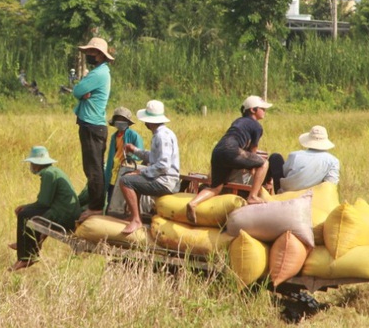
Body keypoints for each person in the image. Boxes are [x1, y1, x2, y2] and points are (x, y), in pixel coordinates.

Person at [186, 95, 273, 223]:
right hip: (232, 150)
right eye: (262, 109)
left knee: (215, 188)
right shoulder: (257, 126)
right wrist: (252, 168)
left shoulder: (238, 121)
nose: (265, 112)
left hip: (218, 151)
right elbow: (252, 151)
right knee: (264, 164)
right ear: (253, 110)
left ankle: (193, 203)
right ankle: (253, 196)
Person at [9, 146, 81, 271]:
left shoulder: (48, 174)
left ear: (37, 164)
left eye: (32, 163)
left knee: (24, 214)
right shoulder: (53, 171)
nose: (31, 166)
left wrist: (25, 207)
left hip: (64, 214)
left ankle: (26, 256)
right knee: (27, 212)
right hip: (64, 211)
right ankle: (24, 245)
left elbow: (44, 202)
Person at [119, 100, 180, 234]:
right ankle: (135, 215)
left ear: (150, 121)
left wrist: (141, 172)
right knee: (135, 179)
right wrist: (135, 150)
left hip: (165, 182)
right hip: (165, 178)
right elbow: (153, 157)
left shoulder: (161, 136)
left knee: (125, 181)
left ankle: (136, 219)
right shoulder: (163, 133)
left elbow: (163, 165)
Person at [73, 37, 115, 218]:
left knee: (94, 168)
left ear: (99, 55)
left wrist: (82, 93)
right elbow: (81, 92)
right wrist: (82, 93)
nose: (89, 55)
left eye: (91, 52)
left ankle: (96, 207)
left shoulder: (98, 74)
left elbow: (77, 91)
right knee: (92, 167)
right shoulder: (99, 71)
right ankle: (94, 203)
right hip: (91, 125)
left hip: (92, 125)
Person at [276, 125, 340, 193]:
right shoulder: (333, 161)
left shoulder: (295, 155)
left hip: (288, 191)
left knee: (275, 158)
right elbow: (330, 184)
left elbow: (285, 172)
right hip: (314, 193)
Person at [103, 107, 144, 213]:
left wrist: (130, 157)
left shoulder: (134, 135)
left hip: (126, 169)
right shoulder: (114, 136)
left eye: (123, 119)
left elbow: (140, 154)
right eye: (118, 118)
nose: (120, 121)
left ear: (127, 122)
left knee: (123, 197)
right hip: (113, 170)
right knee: (111, 197)